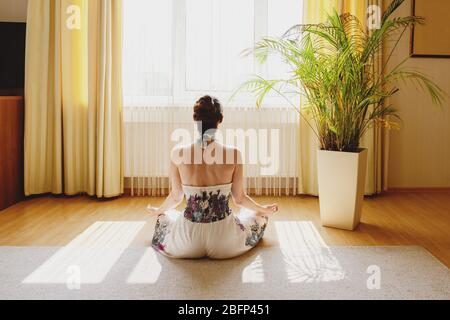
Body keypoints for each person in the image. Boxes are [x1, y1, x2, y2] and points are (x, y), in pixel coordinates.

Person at [147, 95, 278, 259]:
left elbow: (176, 197)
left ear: (195, 119)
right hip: (224, 242)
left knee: (164, 217)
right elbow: (240, 198)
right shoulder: (234, 154)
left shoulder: (178, 153)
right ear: (220, 120)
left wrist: (159, 210)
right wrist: (263, 209)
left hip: (188, 242)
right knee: (258, 216)